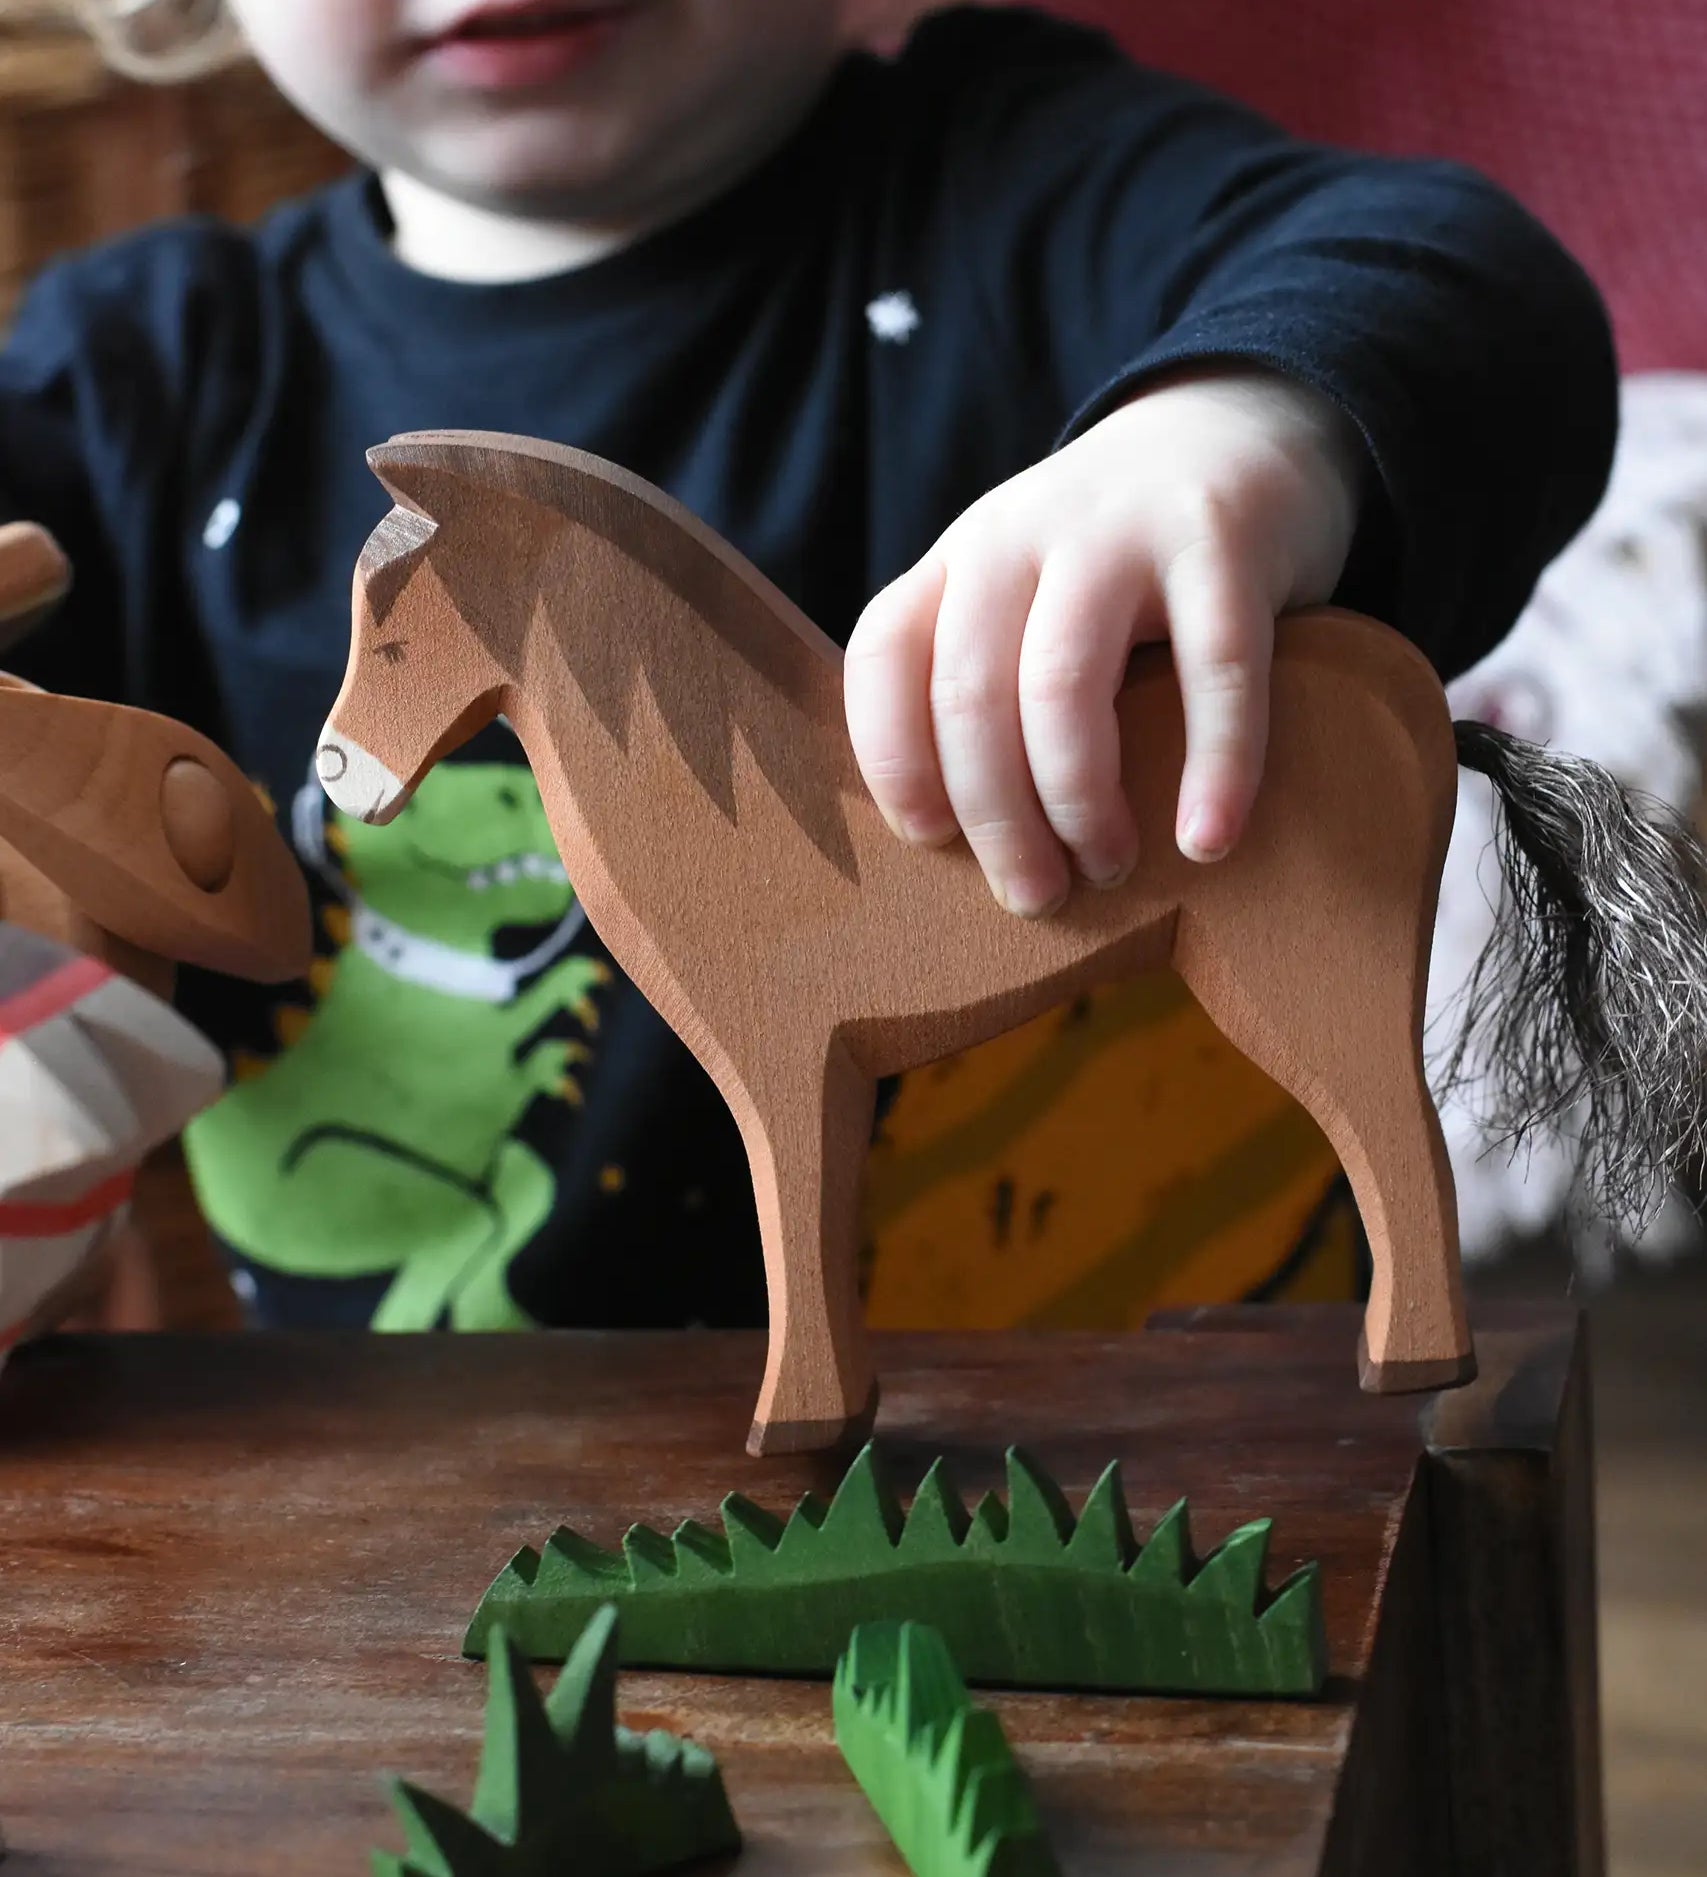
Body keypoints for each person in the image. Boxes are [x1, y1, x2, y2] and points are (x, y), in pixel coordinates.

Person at [0, 0, 1616, 1334]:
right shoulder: (137, 379)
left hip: (1195, 1467)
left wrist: (1239, 432)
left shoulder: (1017, 181)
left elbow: (1470, 278)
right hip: (404, 1528)